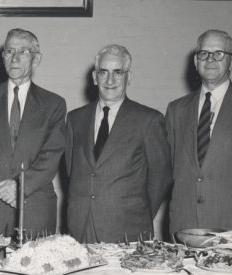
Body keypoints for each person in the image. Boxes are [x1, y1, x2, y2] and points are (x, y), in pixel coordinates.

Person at [0, 28, 66, 237]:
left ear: (36, 59)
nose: (15, 58)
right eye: (9, 51)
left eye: (23, 52)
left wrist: (19, 186)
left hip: (34, 206)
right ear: (3, 57)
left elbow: (52, 154)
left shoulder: (54, 104)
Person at [65, 44, 172, 243]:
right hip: (81, 227)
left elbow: (161, 177)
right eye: (103, 72)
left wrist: (138, 212)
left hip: (127, 228)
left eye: (118, 72)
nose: (110, 80)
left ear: (128, 76)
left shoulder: (149, 120)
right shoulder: (75, 119)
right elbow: (73, 171)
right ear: (94, 77)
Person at [166, 30, 232, 232]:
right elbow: (168, 169)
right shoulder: (176, 109)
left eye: (219, 54)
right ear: (195, 61)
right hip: (184, 226)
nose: (210, 59)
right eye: (204, 53)